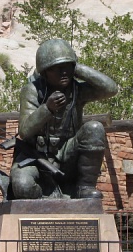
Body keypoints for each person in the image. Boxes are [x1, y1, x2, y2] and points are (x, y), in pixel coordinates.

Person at [10, 38, 118, 199]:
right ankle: (48, 198)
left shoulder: (77, 90)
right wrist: (47, 108)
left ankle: (85, 188)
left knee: (94, 128)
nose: (64, 72)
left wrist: (77, 67)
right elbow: (25, 131)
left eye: (67, 67)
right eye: (57, 68)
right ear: (45, 71)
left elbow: (110, 89)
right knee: (22, 187)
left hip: (68, 154)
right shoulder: (32, 90)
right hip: (34, 157)